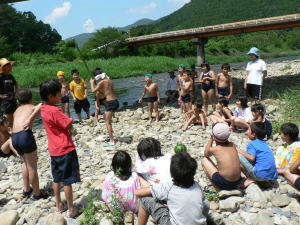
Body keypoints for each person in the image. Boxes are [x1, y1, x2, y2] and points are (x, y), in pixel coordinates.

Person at [40, 79, 80, 217]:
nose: (60, 96)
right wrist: (73, 131)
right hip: (65, 148)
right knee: (68, 180)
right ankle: (71, 208)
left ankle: (58, 205)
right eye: (58, 94)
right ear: (51, 96)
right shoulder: (55, 111)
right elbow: (68, 124)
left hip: (54, 150)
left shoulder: (43, 108)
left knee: (57, 179)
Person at [136, 152, 209, 225]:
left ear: (171, 173)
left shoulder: (169, 187)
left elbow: (139, 192)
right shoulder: (197, 186)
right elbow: (205, 206)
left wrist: (140, 179)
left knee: (145, 199)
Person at [11, 89, 46, 199]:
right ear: (31, 99)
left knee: (25, 163)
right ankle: (37, 193)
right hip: (24, 136)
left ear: (18, 101)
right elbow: (41, 105)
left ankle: (26, 189)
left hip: (14, 137)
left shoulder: (16, 110)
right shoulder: (32, 107)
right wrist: (31, 118)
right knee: (32, 166)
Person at [201, 123, 241, 190]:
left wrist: (211, 139)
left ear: (214, 136)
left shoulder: (215, 149)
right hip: (237, 181)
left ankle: (217, 188)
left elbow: (206, 154)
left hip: (225, 183)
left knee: (204, 160)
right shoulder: (232, 145)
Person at [239, 122, 278, 187]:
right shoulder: (264, 144)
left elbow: (252, 158)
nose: (246, 132)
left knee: (238, 156)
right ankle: (265, 180)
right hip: (272, 176)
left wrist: (240, 151)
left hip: (260, 175)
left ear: (253, 134)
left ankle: (250, 178)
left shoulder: (252, 143)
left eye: (248, 130)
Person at [102, 151, 139, 215]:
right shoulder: (134, 176)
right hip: (134, 208)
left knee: (102, 193)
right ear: (129, 165)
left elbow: (105, 196)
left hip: (117, 209)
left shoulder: (110, 177)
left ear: (114, 165)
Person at [90, 72, 119, 147]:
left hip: (110, 102)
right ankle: (111, 135)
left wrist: (92, 83)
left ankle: (112, 141)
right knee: (106, 117)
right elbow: (106, 90)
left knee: (107, 122)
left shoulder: (102, 82)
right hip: (116, 101)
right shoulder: (110, 81)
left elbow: (93, 91)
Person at [0, 58, 18, 127]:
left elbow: (16, 85)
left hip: (12, 99)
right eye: (7, 65)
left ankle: (13, 130)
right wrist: (1, 96)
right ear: (3, 67)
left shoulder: (10, 76)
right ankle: (7, 131)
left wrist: (16, 95)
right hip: (4, 101)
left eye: (10, 65)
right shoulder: (0, 76)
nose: (10, 67)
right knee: (6, 117)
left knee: (14, 115)